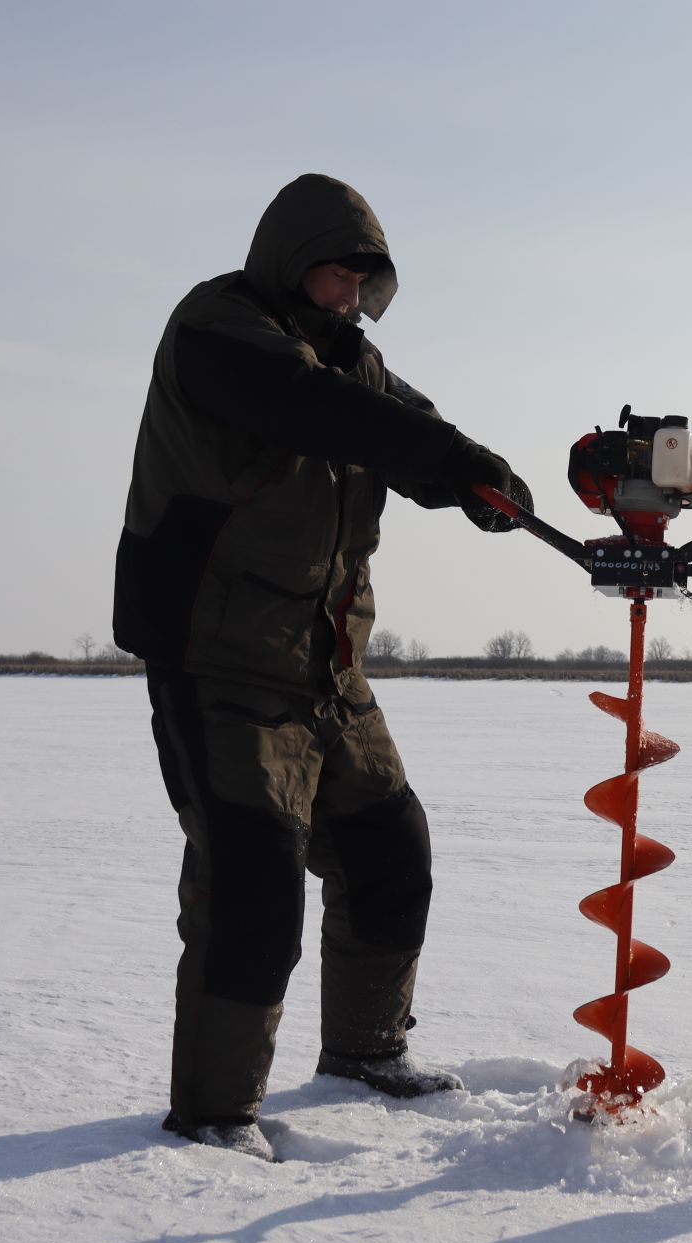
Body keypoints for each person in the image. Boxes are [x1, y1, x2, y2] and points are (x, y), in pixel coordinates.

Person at [113, 173, 530, 1161]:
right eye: (338, 272)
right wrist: (439, 451)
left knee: (391, 849)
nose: (349, 293)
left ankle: (365, 1052)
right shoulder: (218, 330)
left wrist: (479, 477)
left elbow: (403, 428)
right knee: (251, 880)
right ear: (292, 259)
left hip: (326, 668)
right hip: (219, 663)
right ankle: (214, 1113)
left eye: (362, 280)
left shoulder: (355, 364)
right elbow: (316, 412)